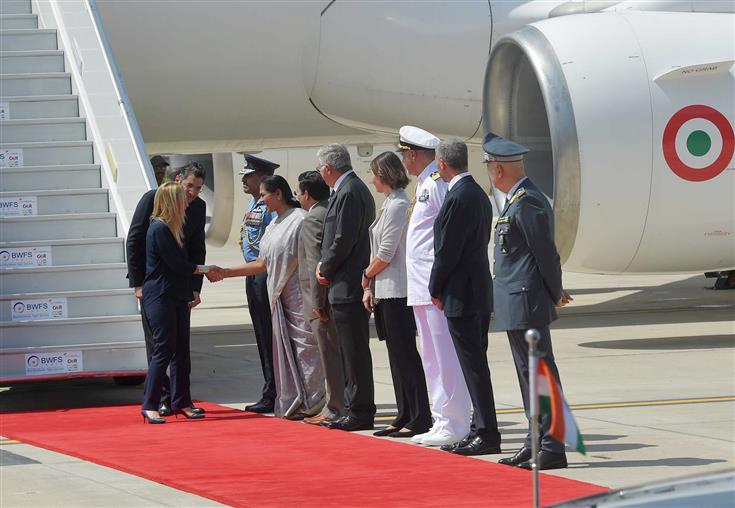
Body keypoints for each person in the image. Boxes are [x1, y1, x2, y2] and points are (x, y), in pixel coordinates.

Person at [483, 132, 573, 470]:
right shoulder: (516, 199)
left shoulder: (528, 201)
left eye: (490, 165)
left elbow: (545, 253)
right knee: (529, 374)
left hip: (526, 301)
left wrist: (555, 290)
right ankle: (537, 440)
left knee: (539, 373)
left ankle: (552, 447)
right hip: (516, 301)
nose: (489, 171)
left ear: (499, 169)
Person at [216, 176, 325, 419]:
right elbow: (262, 263)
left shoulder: (300, 220)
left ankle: (315, 401)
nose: (261, 200)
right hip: (279, 296)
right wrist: (225, 272)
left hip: (299, 295)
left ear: (278, 194)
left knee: (306, 349)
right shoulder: (273, 225)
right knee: (285, 350)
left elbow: (312, 258)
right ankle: (296, 399)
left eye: (264, 195)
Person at [400, 126, 472, 447]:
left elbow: (449, 233)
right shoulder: (423, 185)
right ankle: (441, 418)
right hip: (422, 286)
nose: (403, 160)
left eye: (404, 154)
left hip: (435, 286)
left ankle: (455, 422)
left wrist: (441, 282)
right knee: (431, 355)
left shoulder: (436, 184)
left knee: (444, 356)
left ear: (413, 154)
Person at [429, 140, 501, 456]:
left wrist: (435, 287)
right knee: (475, 364)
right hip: (477, 290)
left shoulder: (458, 197)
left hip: (462, 293)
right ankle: (479, 429)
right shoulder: (477, 194)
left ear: (443, 164)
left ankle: (486, 433)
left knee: (473, 366)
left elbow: (447, 251)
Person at [126, 161, 207, 417]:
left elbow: (197, 247)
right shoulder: (154, 201)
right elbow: (135, 240)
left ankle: (181, 399)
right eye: (189, 186)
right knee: (160, 346)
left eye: (198, 188)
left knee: (181, 346)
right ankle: (159, 399)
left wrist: (196, 287)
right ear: (177, 182)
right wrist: (137, 282)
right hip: (156, 285)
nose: (192, 194)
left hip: (180, 286)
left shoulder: (198, 207)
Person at [362, 152, 431, 438]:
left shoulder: (398, 205)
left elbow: (385, 253)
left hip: (397, 291)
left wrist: (366, 276)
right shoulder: (390, 203)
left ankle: (418, 415)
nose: (372, 179)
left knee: (405, 356)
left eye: (375, 173)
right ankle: (405, 413)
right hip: (386, 290)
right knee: (396, 355)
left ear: (385, 175)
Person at [315, 144, 376, 432]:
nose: (320, 175)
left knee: (354, 352)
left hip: (348, 284)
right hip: (344, 284)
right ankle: (355, 408)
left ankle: (360, 410)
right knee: (350, 351)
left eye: (320, 170)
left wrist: (325, 267)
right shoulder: (347, 189)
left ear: (328, 168)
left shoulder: (350, 191)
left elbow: (343, 239)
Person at [295, 171, 346, 426]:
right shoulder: (332, 209)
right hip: (338, 294)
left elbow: (315, 262)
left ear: (306, 193)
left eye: (298, 192)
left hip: (321, 299)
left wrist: (317, 301)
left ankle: (335, 406)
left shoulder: (313, 218)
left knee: (329, 355)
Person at [239, 154, 279, 414]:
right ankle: (270, 388)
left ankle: (273, 390)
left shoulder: (266, 207)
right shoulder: (254, 204)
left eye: (249, 175)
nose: (244, 179)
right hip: (252, 273)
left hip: (262, 272)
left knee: (269, 335)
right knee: (261, 335)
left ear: (262, 178)